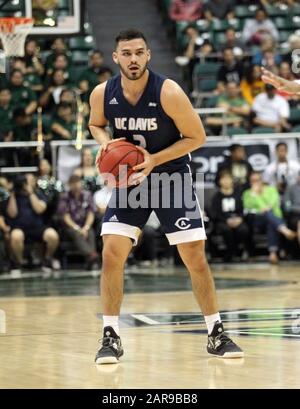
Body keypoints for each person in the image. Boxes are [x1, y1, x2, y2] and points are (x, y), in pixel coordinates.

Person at [89, 29, 243, 364]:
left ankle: (215, 332)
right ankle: (111, 334)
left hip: (170, 176)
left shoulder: (168, 91)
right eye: (126, 53)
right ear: (115, 58)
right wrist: (104, 142)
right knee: (112, 253)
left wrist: (155, 159)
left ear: (148, 55)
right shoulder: (102, 93)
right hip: (130, 181)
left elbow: (197, 137)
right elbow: (95, 124)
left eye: (139, 53)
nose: (133, 59)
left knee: (194, 257)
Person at [5, 173, 60, 274]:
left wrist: (31, 193)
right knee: (16, 236)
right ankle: (18, 262)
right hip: (20, 227)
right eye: (26, 181)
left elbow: (40, 209)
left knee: (53, 235)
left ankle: (47, 259)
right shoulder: (15, 196)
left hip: (37, 227)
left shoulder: (39, 194)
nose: (27, 183)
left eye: (30, 180)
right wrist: (12, 194)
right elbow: (12, 214)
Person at [243, 171, 296, 264]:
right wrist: (255, 194)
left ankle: (273, 254)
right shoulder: (247, 193)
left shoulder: (271, 189)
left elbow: (272, 204)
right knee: (268, 216)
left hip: (274, 218)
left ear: (262, 180)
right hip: (257, 221)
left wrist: (262, 205)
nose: (256, 183)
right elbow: (248, 207)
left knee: (270, 221)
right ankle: (284, 230)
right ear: (249, 182)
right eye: (253, 181)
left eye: (258, 180)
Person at [57, 174, 99, 270]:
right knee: (77, 233)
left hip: (84, 225)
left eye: (78, 183)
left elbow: (91, 213)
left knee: (90, 232)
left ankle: (91, 259)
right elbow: (65, 216)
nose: (76, 185)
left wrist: (86, 227)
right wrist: (77, 228)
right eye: (73, 183)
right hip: (70, 227)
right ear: (69, 185)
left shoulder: (87, 195)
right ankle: (92, 255)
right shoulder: (65, 197)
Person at [211, 171, 250, 262]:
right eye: (224, 179)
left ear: (232, 180)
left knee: (244, 229)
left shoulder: (238, 194)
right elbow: (215, 213)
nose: (226, 181)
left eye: (228, 179)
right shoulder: (216, 196)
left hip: (237, 219)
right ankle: (230, 253)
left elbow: (243, 208)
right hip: (223, 221)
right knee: (226, 230)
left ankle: (244, 252)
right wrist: (226, 220)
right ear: (220, 181)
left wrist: (240, 218)